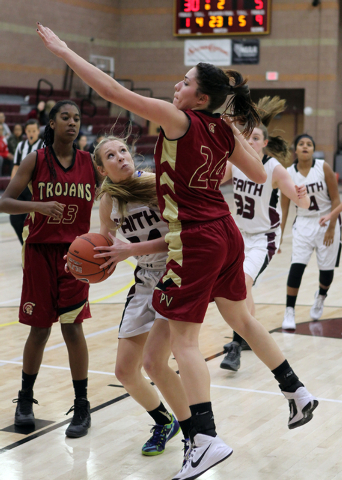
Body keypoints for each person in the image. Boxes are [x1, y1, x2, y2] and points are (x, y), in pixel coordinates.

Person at [37, 24, 319, 480]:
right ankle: (297, 391)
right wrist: (225, 130)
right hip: (226, 231)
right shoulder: (219, 127)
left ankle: (204, 438)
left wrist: (64, 50)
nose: (177, 86)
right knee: (241, 319)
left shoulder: (178, 119)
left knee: (184, 342)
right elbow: (259, 173)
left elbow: (109, 88)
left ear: (199, 97)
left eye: (186, 82)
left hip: (197, 238)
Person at [0, 100, 98, 438]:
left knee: (73, 330)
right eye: (65, 117)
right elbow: (4, 201)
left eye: (77, 118)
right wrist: (38, 205)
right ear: (52, 123)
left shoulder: (90, 162)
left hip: (75, 256)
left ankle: (82, 406)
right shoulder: (36, 159)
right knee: (39, 329)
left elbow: (119, 189)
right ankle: (25, 400)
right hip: (40, 252)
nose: (72, 123)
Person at [91, 134, 192, 456]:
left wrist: (130, 249)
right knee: (124, 371)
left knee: (155, 363)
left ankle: (196, 434)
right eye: (111, 155)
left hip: (175, 274)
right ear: (103, 169)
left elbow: (181, 237)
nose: (121, 156)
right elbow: (102, 245)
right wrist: (79, 261)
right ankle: (164, 422)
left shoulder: (155, 185)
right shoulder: (108, 200)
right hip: (145, 278)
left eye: (123, 150)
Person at [220, 97, 310, 372]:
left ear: (264, 143)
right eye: (247, 136)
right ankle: (247, 334)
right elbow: (210, 182)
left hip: (264, 237)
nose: (251, 140)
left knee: (242, 283)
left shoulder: (273, 168)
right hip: (240, 234)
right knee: (233, 287)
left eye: (256, 137)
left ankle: (235, 345)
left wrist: (302, 195)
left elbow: (302, 204)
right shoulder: (234, 164)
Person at [281, 134, 341, 329]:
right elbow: (284, 208)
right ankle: (289, 310)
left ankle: (321, 296)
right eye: (301, 144)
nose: (305, 146)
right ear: (295, 150)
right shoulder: (288, 173)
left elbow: (335, 199)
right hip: (303, 223)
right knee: (296, 267)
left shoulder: (323, 167)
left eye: (309, 144)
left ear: (313, 150)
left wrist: (332, 226)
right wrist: (279, 236)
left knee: (326, 273)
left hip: (327, 221)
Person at [10, 119, 44, 244]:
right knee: (15, 219)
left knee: (35, 222)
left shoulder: (44, 145)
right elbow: (15, 167)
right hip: (21, 187)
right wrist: (12, 187)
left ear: (38, 131)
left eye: (34, 131)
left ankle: (35, 250)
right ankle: (25, 246)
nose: (31, 133)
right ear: (25, 131)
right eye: (29, 131)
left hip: (37, 188)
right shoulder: (21, 146)